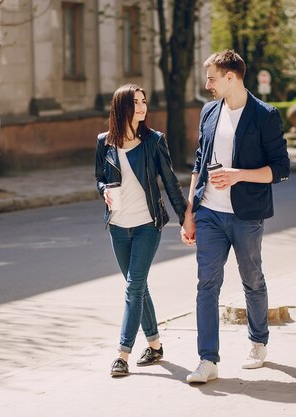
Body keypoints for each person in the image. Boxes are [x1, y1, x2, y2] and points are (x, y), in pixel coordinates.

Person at [181, 50, 290, 383]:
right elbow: (199, 163)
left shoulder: (264, 115)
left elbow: (281, 169)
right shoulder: (209, 111)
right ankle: (207, 360)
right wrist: (189, 211)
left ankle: (258, 342)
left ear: (232, 76)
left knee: (251, 280)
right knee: (206, 285)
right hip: (210, 212)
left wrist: (237, 174)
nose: (207, 84)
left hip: (246, 215)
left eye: (212, 78)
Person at [95, 83, 188, 377]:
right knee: (139, 286)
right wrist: (104, 192)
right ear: (121, 106)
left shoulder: (154, 141)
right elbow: (99, 178)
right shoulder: (104, 142)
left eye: (144, 101)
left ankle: (122, 354)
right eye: (135, 102)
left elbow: (171, 183)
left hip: (148, 225)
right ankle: (156, 345)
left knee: (133, 287)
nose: (142, 107)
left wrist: (186, 216)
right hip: (118, 227)